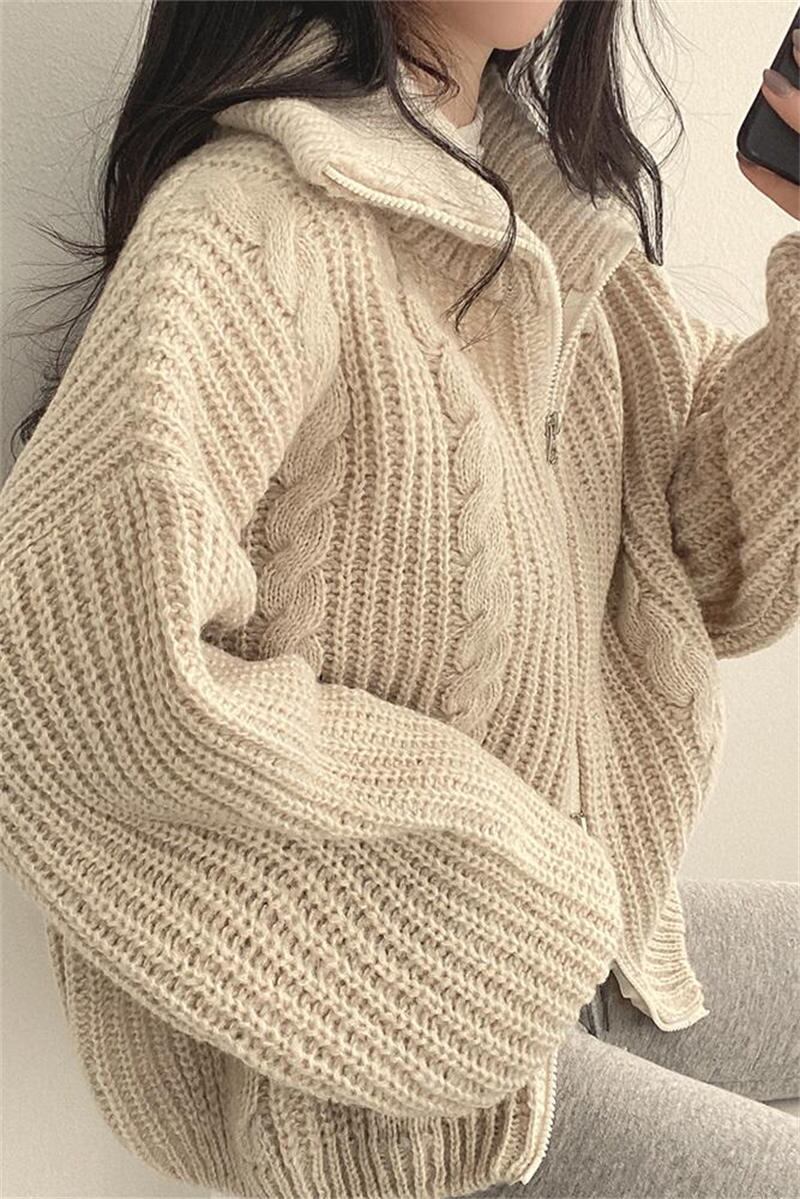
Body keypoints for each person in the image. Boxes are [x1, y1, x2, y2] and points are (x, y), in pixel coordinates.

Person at [1, 3, 798, 1197]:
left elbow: (712, 561)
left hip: (565, 958)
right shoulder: (252, 222)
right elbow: (67, 663)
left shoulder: (545, 217)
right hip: (390, 1080)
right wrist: (487, 864)